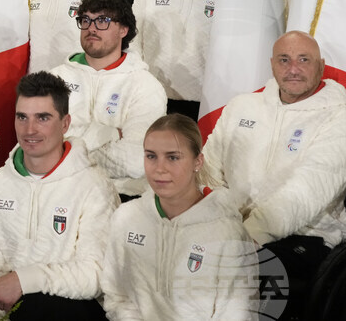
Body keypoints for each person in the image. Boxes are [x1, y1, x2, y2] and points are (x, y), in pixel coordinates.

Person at [202, 31, 346, 320]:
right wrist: (215, 220)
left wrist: (248, 235)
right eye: (284, 60)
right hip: (230, 225)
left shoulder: (341, 117)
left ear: (321, 66)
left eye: (304, 60)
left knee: (248, 281)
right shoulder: (242, 106)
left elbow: (306, 191)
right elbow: (207, 170)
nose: (293, 69)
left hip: (305, 235)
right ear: (272, 64)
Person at [0, 72, 117, 321]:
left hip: (74, 311)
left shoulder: (94, 186)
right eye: (22, 117)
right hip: (13, 313)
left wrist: (24, 280)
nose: (30, 130)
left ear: (65, 123)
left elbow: (95, 275)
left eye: (43, 118)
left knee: (41, 305)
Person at [102, 115, 259, 319]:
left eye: (173, 157)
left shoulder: (227, 231)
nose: (159, 168)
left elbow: (236, 314)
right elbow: (117, 296)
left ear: (197, 161)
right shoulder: (126, 217)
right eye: (151, 156)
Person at [48, 0, 166, 197]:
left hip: (120, 195)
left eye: (102, 20)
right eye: (85, 20)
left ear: (123, 29)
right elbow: (39, 143)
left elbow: (137, 160)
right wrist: (109, 134)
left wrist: (66, 148)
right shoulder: (55, 78)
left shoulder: (145, 85)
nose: (91, 28)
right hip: (58, 188)